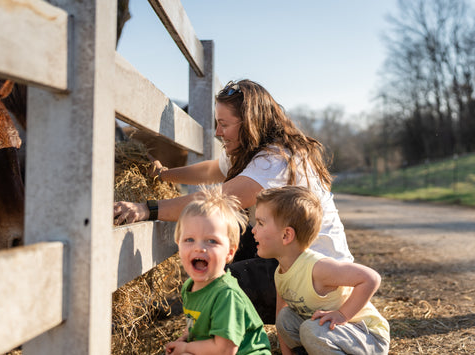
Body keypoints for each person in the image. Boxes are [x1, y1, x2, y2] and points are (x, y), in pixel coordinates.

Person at [114, 79, 353, 324]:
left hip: (317, 282)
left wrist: (147, 209)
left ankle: (220, 334)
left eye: (224, 124)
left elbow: (214, 201)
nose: (218, 132)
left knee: (216, 288)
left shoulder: (274, 160)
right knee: (228, 239)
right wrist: (164, 174)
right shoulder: (252, 151)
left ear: (249, 123)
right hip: (292, 257)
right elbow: (210, 170)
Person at [253, 186, 390, 355]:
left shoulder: (318, 267)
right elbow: (282, 321)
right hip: (330, 333)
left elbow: (371, 278)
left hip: (367, 336)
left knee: (311, 330)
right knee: (284, 318)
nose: (253, 230)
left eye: (260, 223)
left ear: (286, 235)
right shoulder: (281, 272)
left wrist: (342, 314)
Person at [165, 185, 271, 355]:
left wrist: (186, 348)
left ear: (230, 252)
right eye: (189, 239)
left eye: (212, 241)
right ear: (178, 244)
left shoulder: (226, 295)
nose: (199, 248)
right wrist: (183, 339)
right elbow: (195, 324)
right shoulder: (189, 287)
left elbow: (225, 350)